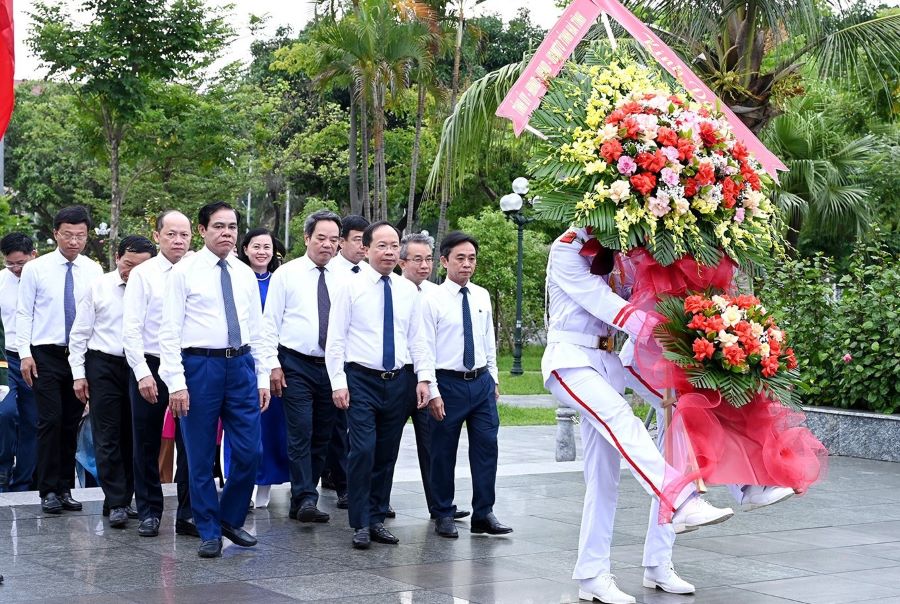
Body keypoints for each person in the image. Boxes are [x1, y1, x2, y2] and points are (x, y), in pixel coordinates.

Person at [542, 226, 734, 604]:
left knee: (611, 471)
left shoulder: (630, 246)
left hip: (611, 360)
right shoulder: (568, 247)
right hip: (572, 357)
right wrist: (662, 327)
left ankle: (623, 568)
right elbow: (603, 302)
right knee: (621, 419)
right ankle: (680, 499)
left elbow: (647, 295)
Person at [159, 201, 270, 559]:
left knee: (252, 451)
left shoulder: (242, 273)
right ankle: (207, 529)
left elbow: (259, 328)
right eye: (219, 226)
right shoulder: (184, 272)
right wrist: (176, 382)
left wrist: (263, 375)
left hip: (240, 366)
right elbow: (169, 332)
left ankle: (230, 518)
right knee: (200, 456)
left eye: (232, 227)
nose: (227, 233)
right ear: (203, 230)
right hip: (199, 367)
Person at [325, 221, 434, 550]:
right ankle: (359, 522)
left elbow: (418, 339)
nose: (389, 252)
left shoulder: (406, 290)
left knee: (387, 454)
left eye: (394, 246)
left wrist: (425, 378)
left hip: (398, 382)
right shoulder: (350, 286)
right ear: (367, 249)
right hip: (360, 380)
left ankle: (376, 517)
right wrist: (338, 382)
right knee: (362, 450)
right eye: (381, 246)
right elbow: (336, 338)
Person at [16, 206, 104, 514]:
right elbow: (23, 312)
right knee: (49, 421)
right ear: (56, 234)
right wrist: (24, 353)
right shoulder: (36, 268)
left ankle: (65, 488)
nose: (74, 241)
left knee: (71, 423)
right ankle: (47, 490)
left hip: (80, 356)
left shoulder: (93, 270)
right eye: (68, 234)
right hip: (46, 354)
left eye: (81, 235)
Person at [424, 232, 510, 539]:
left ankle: (484, 512)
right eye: (460, 258)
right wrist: (432, 390)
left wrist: (494, 377)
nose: (467, 264)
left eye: (471, 258)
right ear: (444, 261)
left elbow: (488, 340)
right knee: (443, 451)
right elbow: (425, 347)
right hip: (447, 383)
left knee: (487, 447)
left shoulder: (481, 295)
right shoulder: (431, 297)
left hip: (481, 383)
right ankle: (443, 512)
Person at [67, 235, 155, 528]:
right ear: (117, 258)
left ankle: (124, 496)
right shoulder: (99, 287)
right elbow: (79, 334)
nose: (132, 272)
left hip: (140, 365)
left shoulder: (156, 289)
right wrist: (79, 374)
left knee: (135, 434)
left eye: (141, 267)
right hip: (104, 364)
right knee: (108, 434)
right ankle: (116, 501)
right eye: (128, 264)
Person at [263, 211, 343, 523]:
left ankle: (303, 496)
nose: (327, 245)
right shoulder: (287, 274)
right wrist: (273, 364)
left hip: (333, 366)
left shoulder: (345, 278)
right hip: (295, 364)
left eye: (333, 239)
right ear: (307, 238)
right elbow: (269, 322)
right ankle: (305, 497)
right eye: (321, 238)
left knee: (323, 434)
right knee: (300, 432)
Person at [123, 210, 196, 538]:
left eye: (184, 234)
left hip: (190, 365)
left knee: (193, 443)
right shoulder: (144, 274)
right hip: (151, 365)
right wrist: (142, 373)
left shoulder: (200, 270)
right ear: (157, 236)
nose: (178, 240)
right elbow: (131, 329)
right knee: (146, 441)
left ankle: (189, 513)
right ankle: (150, 510)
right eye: (171, 234)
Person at [397, 231, 470, 522]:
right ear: (403, 262)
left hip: (427, 379)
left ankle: (440, 506)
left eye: (428, 259)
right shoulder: (391, 289)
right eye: (417, 260)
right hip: (398, 376)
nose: (424, 266)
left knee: (433, 445)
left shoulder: (435, 294)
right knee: (385, 445)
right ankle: (378, 504)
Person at [223, 227, 290, 509]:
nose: (261, 252)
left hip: (273, 365)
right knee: (241, 426)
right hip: (239, 363)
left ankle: (264, 488)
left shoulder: (280, 282)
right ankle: (238, 484)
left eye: (267, 247)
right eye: (256, 246)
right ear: (245, 248)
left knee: (273, 428)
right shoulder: (235, 278)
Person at [321, 214, 371, 510]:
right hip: (329, 360)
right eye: (357, 240)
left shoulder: (368, 273)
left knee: (356, 427)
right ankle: (341, 484)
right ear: (342, 241)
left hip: (361, 363)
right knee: (336, 427)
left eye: (367, 241)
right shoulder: (331, 271)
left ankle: (353, 483)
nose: (363, 247)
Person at [0, 233, 37, 492]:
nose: (15, 269)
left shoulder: (41, 279)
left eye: (20, 263)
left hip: (34, 359)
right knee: (5, 413)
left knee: (32, 422)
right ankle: (3, 468)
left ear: (33, 255)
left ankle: (22, 482)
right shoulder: (1, 281)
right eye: (9, 263)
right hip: (4, 357)